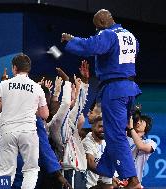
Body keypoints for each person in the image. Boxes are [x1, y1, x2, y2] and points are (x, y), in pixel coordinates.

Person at [61, 9, 142, 188]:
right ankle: (105, 168)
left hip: (114, 90)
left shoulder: (108, 34)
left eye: (97, 28)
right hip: (129, 88)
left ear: (102, 24)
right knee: (116, 132)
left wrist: (72, 40)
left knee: (115, 135)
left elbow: (91, 46)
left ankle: (132, 180)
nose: (97, 31)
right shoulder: (130, 36)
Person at [0, 53, 49, 189]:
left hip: (7, 131)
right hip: (28, 132)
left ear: (14, 68)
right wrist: (31, 109)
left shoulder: (3, 85)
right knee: (31, 169)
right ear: (28, 69)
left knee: (6, 172)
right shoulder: (37, 87)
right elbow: (44, 114)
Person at [127, 115, 157, 187]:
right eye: (137, 121)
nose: (138, 123)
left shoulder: (150, 142)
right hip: (119, 179)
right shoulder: (124, 138)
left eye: (141, 121)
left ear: (147, 126)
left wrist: (131, 129)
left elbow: (140, 146)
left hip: (134, 183)